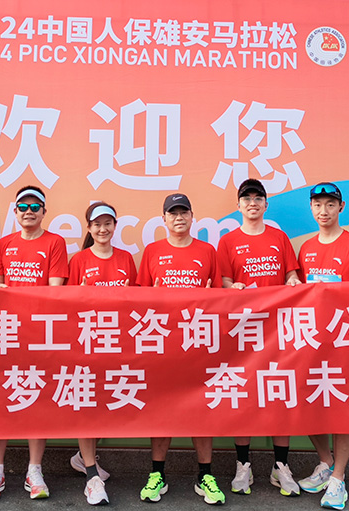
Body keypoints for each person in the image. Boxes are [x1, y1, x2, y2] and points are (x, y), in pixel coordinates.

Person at [136, 193, 225, 506]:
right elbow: (140, 299)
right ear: (164, 219)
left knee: (201, 409)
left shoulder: (207, 251)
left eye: (183, 212)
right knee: (163, 410)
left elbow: (221, 296)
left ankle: (205, 475)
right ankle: (157, 474)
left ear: (192, 217)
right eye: (172, 213)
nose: (178, 218)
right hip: (162, 344)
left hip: (198, 344)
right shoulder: (153, 251)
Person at [216, 179, 302, 498]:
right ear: (238, 205)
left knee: (279, 392)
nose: (252, 202)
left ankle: (281, 466)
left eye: (258, 198)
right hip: (244, 329)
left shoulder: (279, 238)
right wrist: (232, 288)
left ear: (266, 204)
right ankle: (243, 465)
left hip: (278, 329)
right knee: (244, 393)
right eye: (246, 198)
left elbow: (292, 274)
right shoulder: (228, 241)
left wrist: (293, 282)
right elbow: (224, 282)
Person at [0, 185, 69, 500]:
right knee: (0, 398)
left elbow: (54, 291)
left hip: (39, 333)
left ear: (44, 211)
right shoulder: (4, 244)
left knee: (36, 398)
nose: (29, 211)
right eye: (23, 206)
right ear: (15, 211)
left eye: (35, 206)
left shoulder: (55, 242)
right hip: (6, 332)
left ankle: (34, 470)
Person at [295, 182, 349, 510]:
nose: (323, 211)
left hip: (345, 341)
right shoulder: (306, 248)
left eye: (330, 204)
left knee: (342, 408)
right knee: (308, 401)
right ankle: (326, 463)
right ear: (311, 208)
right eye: (318, 205)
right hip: (312, 342)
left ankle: (339, 479)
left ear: (341, 207)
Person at [66, 201, 137, 505]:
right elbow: (66, 305)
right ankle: (91, 475)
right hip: (87, 342)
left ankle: (84, 457)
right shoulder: (79, 260)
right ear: (89, 228)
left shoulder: (126, 259)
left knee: (106, 404)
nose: (103, 229)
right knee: (87, 403)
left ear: (115, 226)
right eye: (97, 224)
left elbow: (136, 301)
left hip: (117, 343)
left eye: (108, 223)